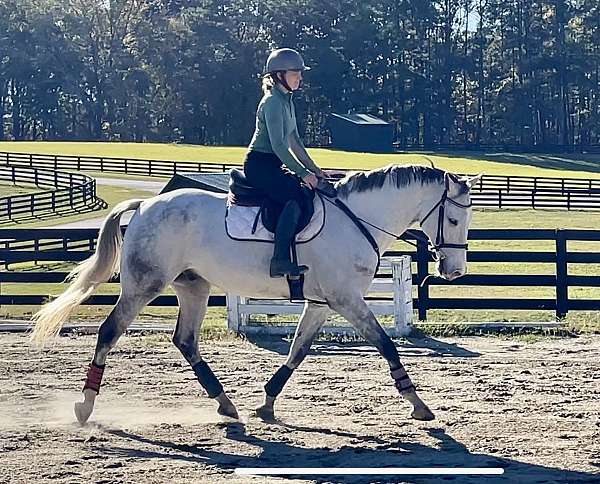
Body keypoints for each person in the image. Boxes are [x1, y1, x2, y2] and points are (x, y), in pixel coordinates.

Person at [244, 48, 328, 278]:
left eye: (300, 74)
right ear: (279, 75)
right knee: (295, 195)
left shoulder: (287, 101)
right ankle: (279, 259)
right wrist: (302, 174)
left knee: (302, 192)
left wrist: (315, 170)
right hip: (259, 165)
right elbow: (280, 145)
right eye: (295, 74)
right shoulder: (272, 102)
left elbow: (295, 142)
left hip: (273, 163)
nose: (300, 78)